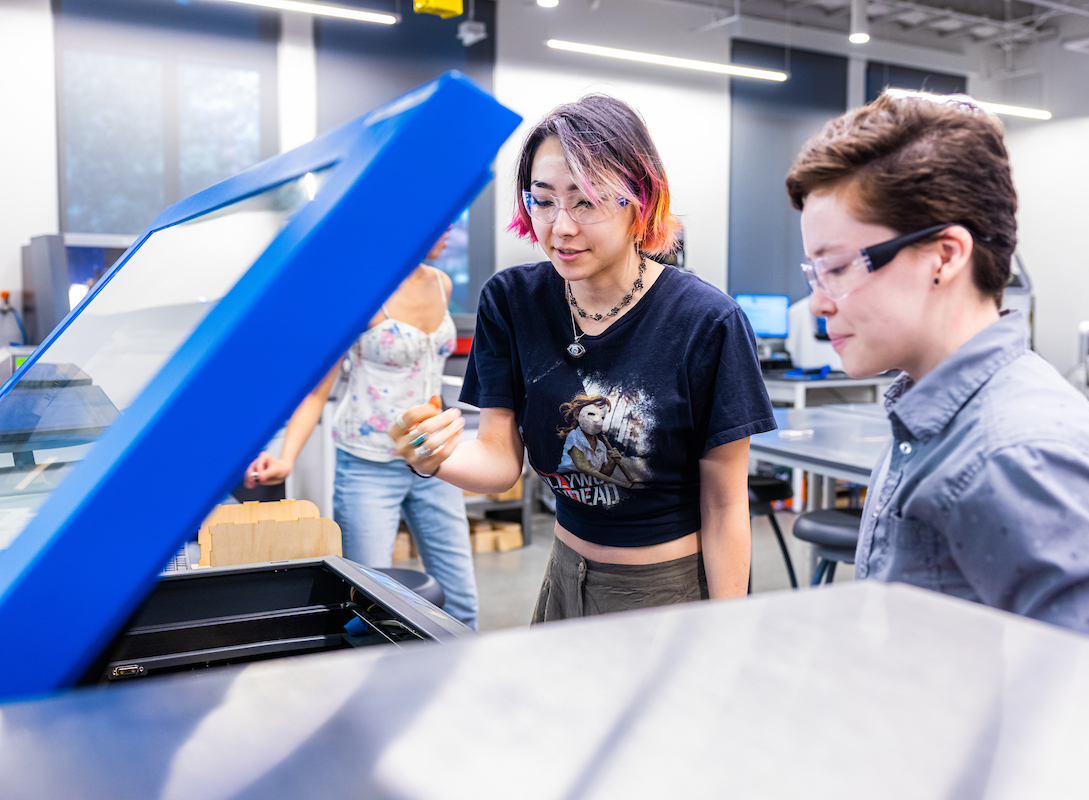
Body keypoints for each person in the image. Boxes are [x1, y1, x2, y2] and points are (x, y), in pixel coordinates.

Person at [785, 92, 1089, 649]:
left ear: (944, 256)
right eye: (814, 272)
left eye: (837, 268)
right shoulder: (929, 412)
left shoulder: (1022, 454)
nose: (818, 302)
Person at [391, 95, 776, 622]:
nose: (560, 226)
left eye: (586, 201)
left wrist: (725, 629)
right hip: (564, 575)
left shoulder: (707, 321)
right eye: (542, 200)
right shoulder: (511, 301)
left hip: (665, 593)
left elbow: (726, 503)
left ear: (639, 200)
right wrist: (432, 457)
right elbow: (501, 462)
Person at [244, 230, 479, 630]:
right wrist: (286, 458)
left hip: (435, 462)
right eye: (442, 221)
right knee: (371, 604)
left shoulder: (442, 283)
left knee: (461, 600)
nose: (450, 231)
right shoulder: (362, 292)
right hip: (367, 466)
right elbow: (318, 391)